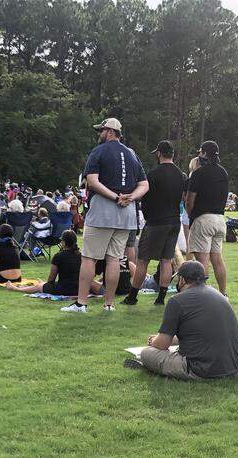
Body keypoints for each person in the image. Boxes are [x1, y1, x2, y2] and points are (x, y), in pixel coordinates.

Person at [61, 118, 148, 314]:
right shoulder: (132, 154)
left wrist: (115, 196)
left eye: (101, 131)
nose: (99, 134)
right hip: (126, 214)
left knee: (89, 258)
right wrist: (130, 197)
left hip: (103, 211)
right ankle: (109, 304)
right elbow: (145, 184)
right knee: (114, 259)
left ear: (109, 132)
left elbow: (92, 180)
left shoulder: (98, 151)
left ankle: (81, 303)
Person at [129, 259, 238, 380]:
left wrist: (154, 341)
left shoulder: (176, 301)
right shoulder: (219, 295)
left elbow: (162, 344)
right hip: (233, 366)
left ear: (182, 279)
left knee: (146, 353)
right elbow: (202, 333)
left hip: (200, 369)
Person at [125, 139, 185, 306]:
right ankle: (161, 298)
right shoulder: (181, 175)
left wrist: (148, 215)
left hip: (156, 222)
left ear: (159, 154)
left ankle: (133, 296)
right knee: (166, 260)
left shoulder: (152, 174)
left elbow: (146, 200)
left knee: (143, 259)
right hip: (174, 221)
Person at [184, 140, 230, 294]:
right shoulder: (223, 172)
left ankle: (204, 296)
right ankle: (223, 293)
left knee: (202, 261)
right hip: (220, 219)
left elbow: (189, 201)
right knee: (217, 260)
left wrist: (192, 216)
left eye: (200, 151)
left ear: (204, 153)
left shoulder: (198, 173)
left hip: (203, 219)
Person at [6, 230, 103, 298]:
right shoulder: (82, 256)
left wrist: (44, 285)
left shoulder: (58, 256)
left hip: (64, 289)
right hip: (80, 288)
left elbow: (51, 280)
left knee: (39, 287)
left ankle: (15, 289)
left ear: (63, 242)